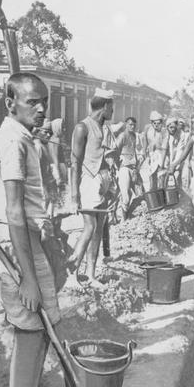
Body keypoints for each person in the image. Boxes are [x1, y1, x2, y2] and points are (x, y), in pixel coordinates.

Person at [0, 72, 65, 387]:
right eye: (33, 101)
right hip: (15, 246)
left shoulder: (25, 138)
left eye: (43, 100)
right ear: (11, 103)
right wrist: (29, 278)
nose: (42, 107)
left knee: (42, 331)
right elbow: (13, 212)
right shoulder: (11, 140)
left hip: (29, 240)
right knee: (30, 332)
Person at [69, 88, 117, 282]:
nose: (113, 112)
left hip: (102, 181)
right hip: (88, 182)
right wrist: (74, 197)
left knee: (98, 230)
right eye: (111, 107)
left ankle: (91, 275)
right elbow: (74, 163)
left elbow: (101, 158)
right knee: (89, 228)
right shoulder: (83, 127)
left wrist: (112, 186)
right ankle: (72, 275)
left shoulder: (103, 128)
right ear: (105, 106)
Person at [116, 116, 144, 220]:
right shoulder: (122, 136)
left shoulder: (136, 136)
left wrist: (138, 166)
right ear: (126, 124)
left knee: (141, 194)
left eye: (134, 125)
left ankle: (130, 215)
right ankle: (123, 218)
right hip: (124, 168)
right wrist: (119, 163)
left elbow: (140, 152)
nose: (132, 126)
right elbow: (115, 150)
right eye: (130, 124)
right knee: (125, 196)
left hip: (134, 169)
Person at [141, 110, 168, 191]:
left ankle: (162, 196)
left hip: (161, 155)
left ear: (161, 123)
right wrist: (144, 151)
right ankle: (153, 196)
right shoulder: (148, 128)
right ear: (151, 123)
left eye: (158, 123)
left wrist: (162, 163)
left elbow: (164, 149)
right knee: (151, 178)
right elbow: (145, 140)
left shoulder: (164, 132)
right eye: (154, 123)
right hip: (151, 155)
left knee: (161, 177)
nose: (156, 125)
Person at [165, 116, 186, 188]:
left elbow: (180, 151)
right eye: (171, 127)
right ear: (167, 127)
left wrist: (173, 165)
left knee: (176, 178)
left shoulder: (181, 134)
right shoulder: (164, 133)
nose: (173, 129)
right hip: (165, 159)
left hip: (177, 161)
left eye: (174, 127)